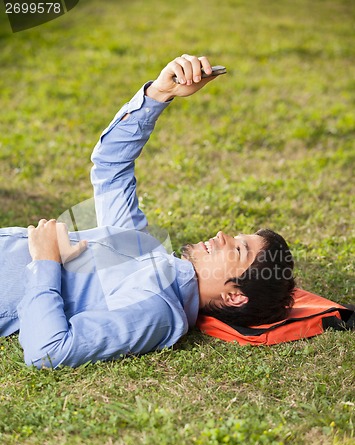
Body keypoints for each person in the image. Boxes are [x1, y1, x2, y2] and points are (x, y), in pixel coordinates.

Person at [0, 54, 295, 369]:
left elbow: (49, 351)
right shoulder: (145, 247)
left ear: (235, 296)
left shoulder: (157, 310)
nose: (222, 235)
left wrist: (45, 262)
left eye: (238, 249)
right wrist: (159, 93)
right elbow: (111, 168)